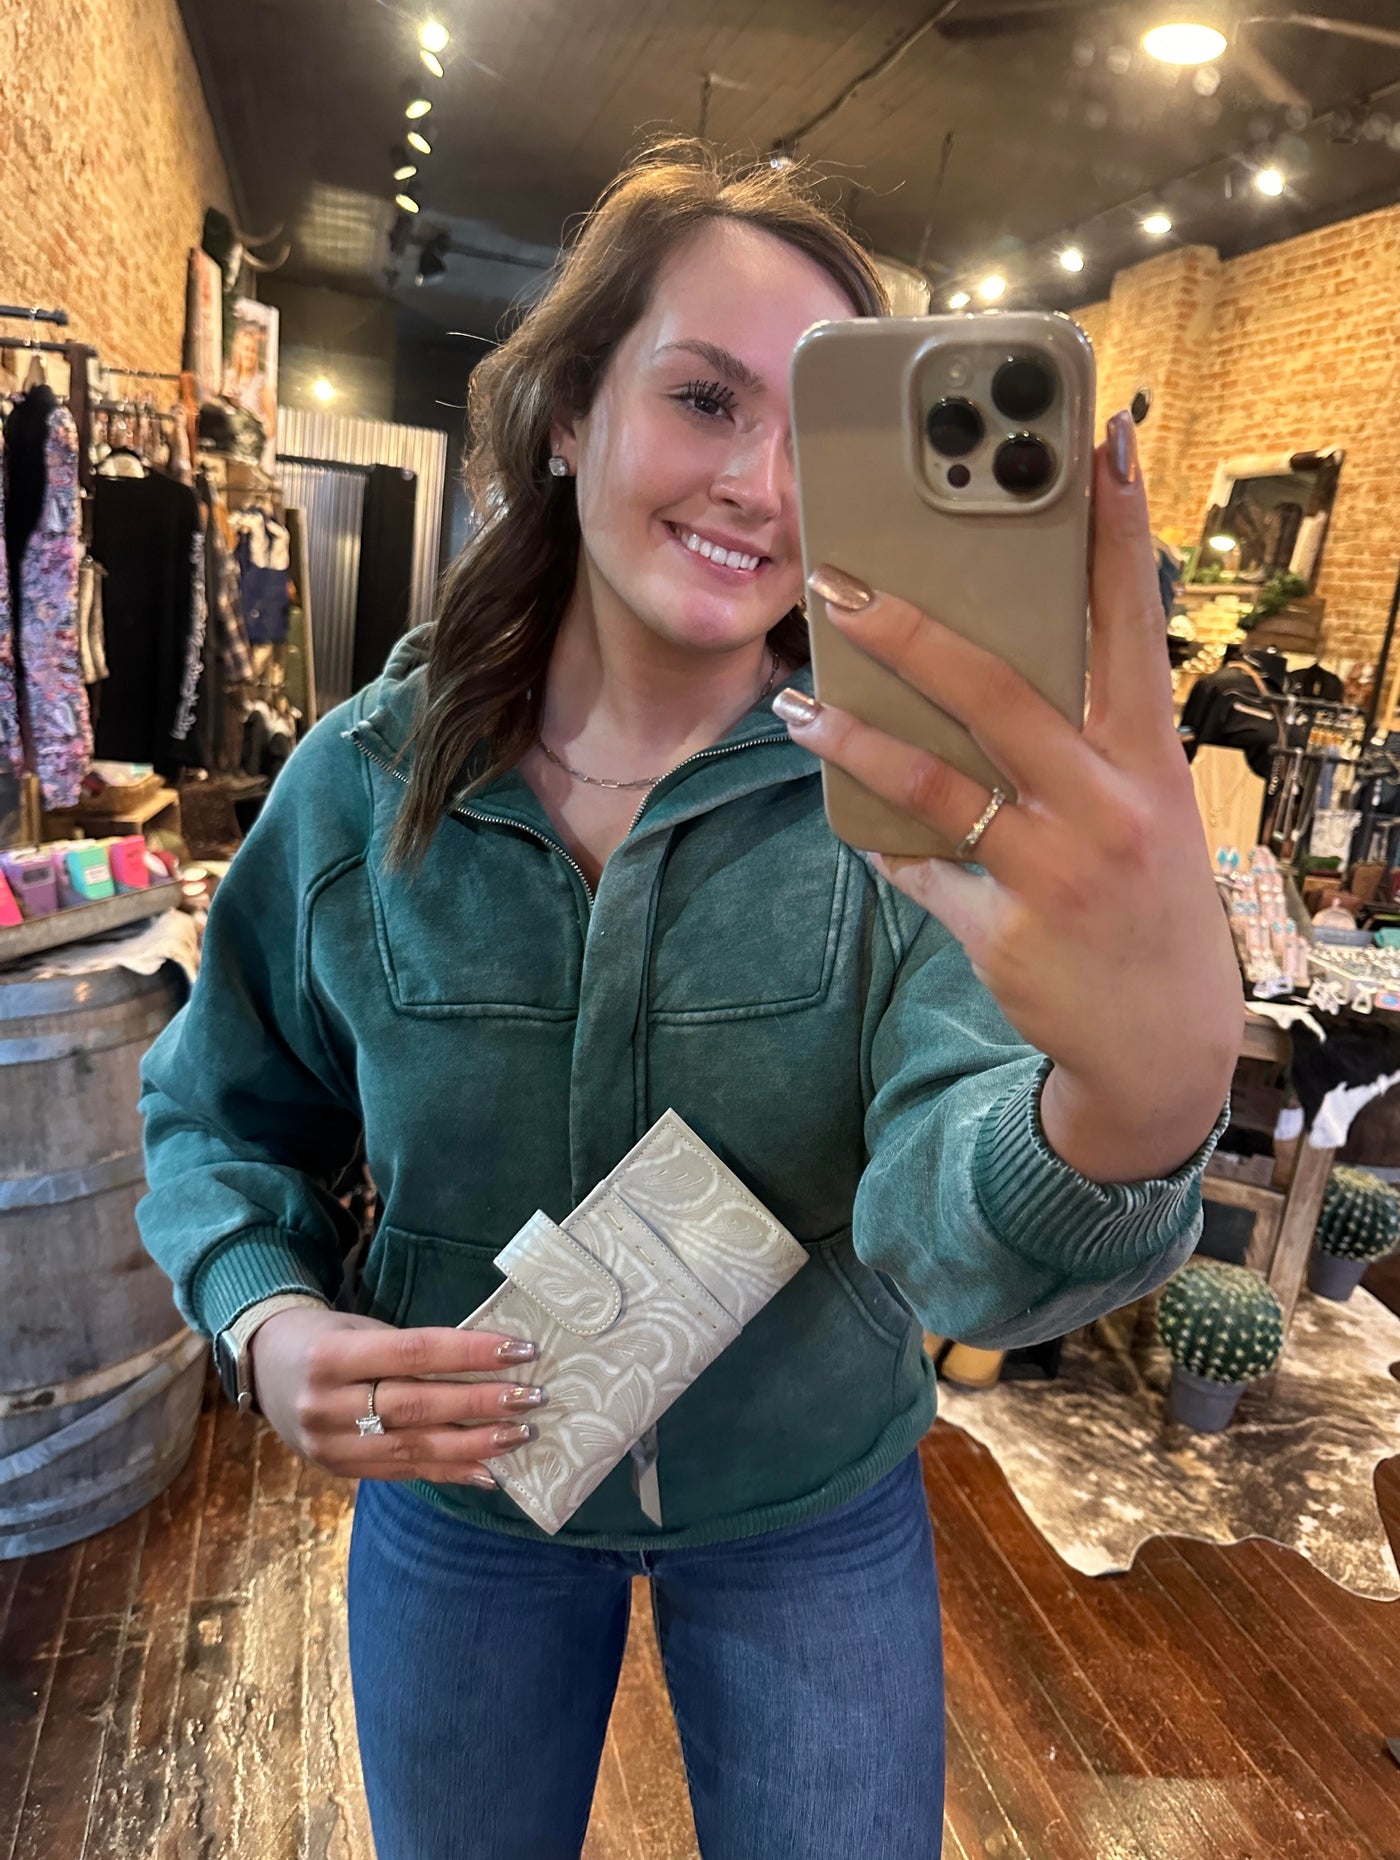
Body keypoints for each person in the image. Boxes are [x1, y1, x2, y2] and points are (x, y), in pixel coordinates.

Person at [136, 140, 1241, 1860]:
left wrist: (1137, 1104)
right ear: (571, 411)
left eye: (826, 440)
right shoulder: (366, 786)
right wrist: (266, 1319)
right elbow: (219, 1108)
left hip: (808, 1505)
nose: (764, 486)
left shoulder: (909, 822)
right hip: (470, 1496)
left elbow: (956, 1230)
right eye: (709, 399)